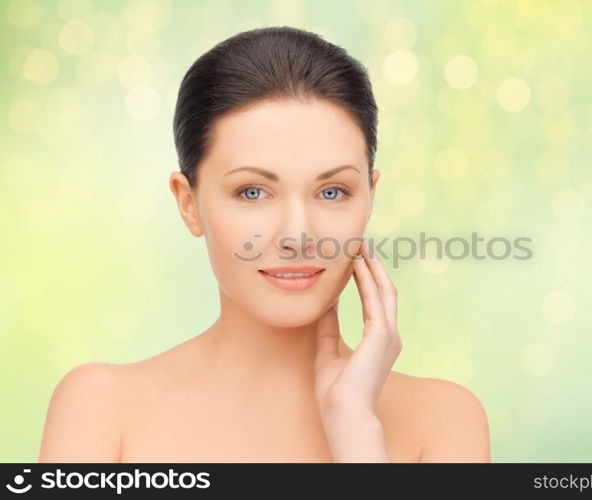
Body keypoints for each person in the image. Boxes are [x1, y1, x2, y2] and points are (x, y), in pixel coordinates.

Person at [38, 26, 490, 463]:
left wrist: (358, 433)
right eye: (253, 192)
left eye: (332, 192)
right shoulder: (101, 408)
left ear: (370, 196)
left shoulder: (443, 420)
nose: (297, 237)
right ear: (189, 203)